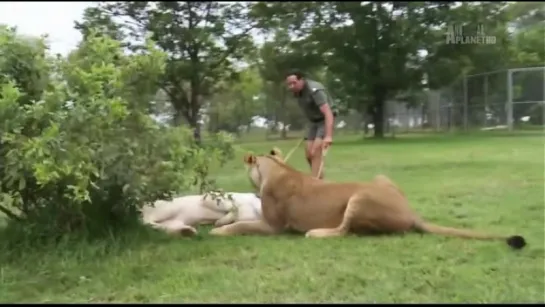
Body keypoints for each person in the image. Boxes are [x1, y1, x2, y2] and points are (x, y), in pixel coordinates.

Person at [285, 69, 335, 179]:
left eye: (294, 83)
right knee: (308, 154)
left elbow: (328, 112)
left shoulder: (315, 90)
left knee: (315, 152)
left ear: (301, 80)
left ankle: (315, 185)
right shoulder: (297, 92)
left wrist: (328, 136)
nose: (291, 86)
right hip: (313, 122)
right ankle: (319, 180)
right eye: (289, 84)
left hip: (324, 120)